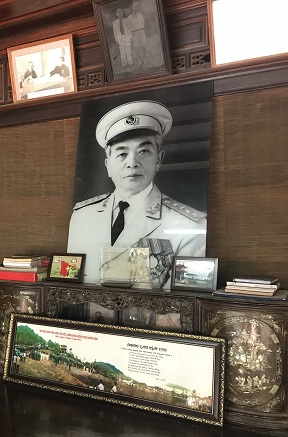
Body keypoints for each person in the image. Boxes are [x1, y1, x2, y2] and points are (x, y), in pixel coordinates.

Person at [67, 100, 207, 288]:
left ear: (159, 160)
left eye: (143, 151)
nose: (132, 163)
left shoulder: (189, 226)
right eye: (122, 154)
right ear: (108, 166)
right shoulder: (82, 216)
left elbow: (185, 298)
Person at [128, 1, 148, 66]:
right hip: (134, 33)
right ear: (132, 7)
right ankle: (139, 60)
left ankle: (144, 59)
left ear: (138, 7)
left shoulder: (140, 15)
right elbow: (130, 28)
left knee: (143, 46)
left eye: (136, 6)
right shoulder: (129, 17)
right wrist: (131, 37)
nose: (135, 8)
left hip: (141, 31)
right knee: (137, 47)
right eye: (134, 7)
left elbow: (142, 24)